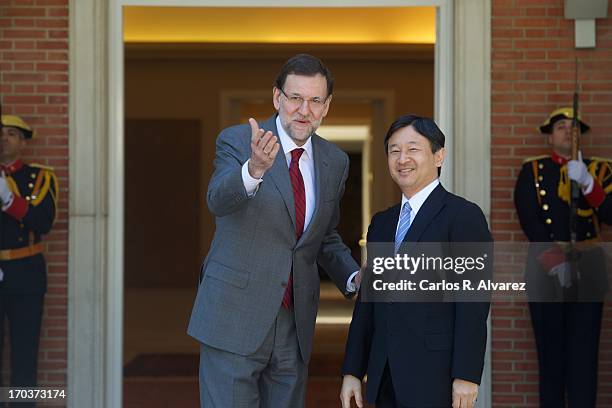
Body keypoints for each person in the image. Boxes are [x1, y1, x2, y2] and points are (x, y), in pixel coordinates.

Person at [187, 54, 359, 408]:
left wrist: (355, 277)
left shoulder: (335, 162)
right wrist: (253, 169)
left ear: (326, 107)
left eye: (315, 101)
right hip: (235, 315)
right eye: (295, 98)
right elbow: (218, 200)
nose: (304, 109)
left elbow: (323, 236)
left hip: (293, 325)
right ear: (277, 98)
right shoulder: (238, 140)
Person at [340, 114, 492, 408]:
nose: (402, 158)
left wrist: (466, 375)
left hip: (435, 375)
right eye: (394, 150)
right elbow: (368, 303)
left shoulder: (462, 216)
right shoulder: (382, 223)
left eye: (413, 149)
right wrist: (352, 370)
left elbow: (473, 303)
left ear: (438, 156)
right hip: (384, 373)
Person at [514, 107, 612, 407]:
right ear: (549, 136)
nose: (568, 131)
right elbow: (529, 218)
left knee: (585, 356)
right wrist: (556, 262)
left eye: (574, 126)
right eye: (561, 126)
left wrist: (587, 184)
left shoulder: (599, 169)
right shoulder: (533, 169)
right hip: (546, 268)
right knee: (551, 356)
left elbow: (610, 214)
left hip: (589, 265)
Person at [0, 115, 58, 400]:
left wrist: (10, 201)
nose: (3, 138)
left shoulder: (40, 177)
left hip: (25, 272)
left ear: (23, 142)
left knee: (25, 355)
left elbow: (43, 222)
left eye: (11, 133)